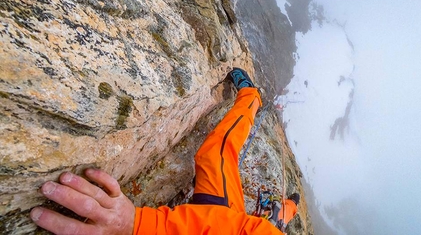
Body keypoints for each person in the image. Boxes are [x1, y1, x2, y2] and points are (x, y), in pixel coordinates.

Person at [30, 68, 299, 234]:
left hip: (235, 220)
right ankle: (251, 97)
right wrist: (140, 225)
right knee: (216, 152)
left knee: (219, 158)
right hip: (225, 219)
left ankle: (289, 206)